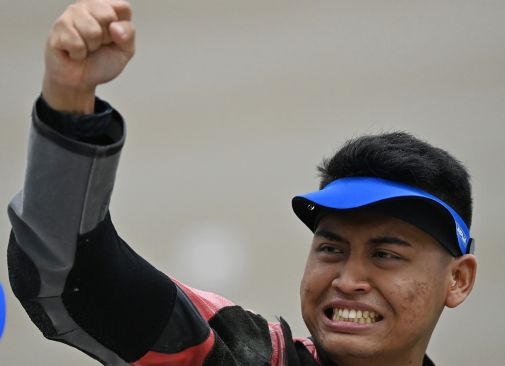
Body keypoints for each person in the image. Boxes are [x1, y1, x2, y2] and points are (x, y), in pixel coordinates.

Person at [6, 1, 478, 365]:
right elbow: (73, 278)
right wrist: (69, 102)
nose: (348, 280)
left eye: (385, 255)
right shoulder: (247, 354)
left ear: (458, 280)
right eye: (331, 249)